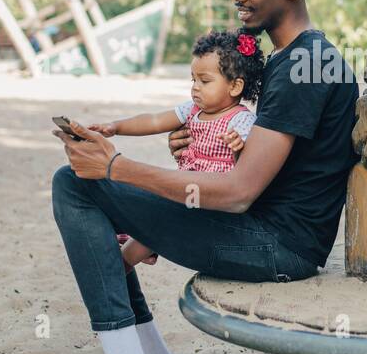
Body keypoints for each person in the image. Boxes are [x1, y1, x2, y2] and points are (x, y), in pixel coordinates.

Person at [48, 0, 359, 354]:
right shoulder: (297, 59)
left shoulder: (305, 64)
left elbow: (238, 192)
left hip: (277, 247)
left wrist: (117, 167)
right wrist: (182, 170)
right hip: (268, 230)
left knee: (76, 185)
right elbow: (258, 164)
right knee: (84, 186)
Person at [88, 28, 264, 269]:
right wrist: (116, 127)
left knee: (160, 220)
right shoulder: (192, 110)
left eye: (205, 81)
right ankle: (133, 249)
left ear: (235, 87)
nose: (195, 88)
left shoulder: (240, 120)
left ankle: (123, 264)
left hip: (210, 199)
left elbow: (248, 170)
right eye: (193, 79)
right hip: (184, 188)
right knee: (151, 205)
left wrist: (237, 149)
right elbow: (154, 121)